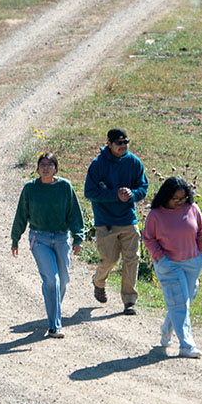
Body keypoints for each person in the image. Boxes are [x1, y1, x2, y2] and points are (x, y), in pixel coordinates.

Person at [10, 152, 85, 339]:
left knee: (63, 280)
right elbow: (21, 214)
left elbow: (75, 214)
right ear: (37, 168)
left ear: (55, 168)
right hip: (39, 239)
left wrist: (78, 238)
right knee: (52, 280)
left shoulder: (65, 187)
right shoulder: (30, 188)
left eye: (49, 165)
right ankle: (54, 325)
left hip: (61, 238)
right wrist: (15, 239)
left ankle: (52, 306)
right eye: (42, 164)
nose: (45, 168)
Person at [83, 128, 147, 315]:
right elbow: (89, 192)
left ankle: (129, 301)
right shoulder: (98, 164)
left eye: (126, 142)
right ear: (109, 144)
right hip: (106, 222)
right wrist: (115, 194)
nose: (123, 146)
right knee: (109, 259)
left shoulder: (134, 162)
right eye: (119, 143)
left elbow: (143, 187)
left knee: (131, 259)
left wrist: (133, 194)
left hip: (128, 219)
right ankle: (99, 281)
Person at [142, 177, 202, 358]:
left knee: (185, 299)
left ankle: (166, 330)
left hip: (192, 262)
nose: (180, 202)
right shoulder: (156, 214)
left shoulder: (193, 209)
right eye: (175, 199)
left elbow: (201, 231)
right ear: (166, 196)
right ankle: (187, 345)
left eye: (183, 198)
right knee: (180, 304)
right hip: (168, 264)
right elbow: (148, 238)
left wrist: (201, 254)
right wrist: (161, 259)